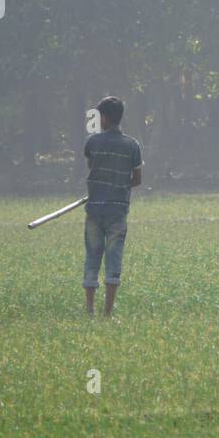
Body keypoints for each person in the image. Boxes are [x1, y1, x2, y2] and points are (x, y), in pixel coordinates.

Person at [82, 96, 142, 317]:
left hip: (95, 208)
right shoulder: (132, 145)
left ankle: (89, 309)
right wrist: (120, 184)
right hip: (118, 209)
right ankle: (107, 311)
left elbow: (92, 167)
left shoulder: (93, 142)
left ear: (105, 118)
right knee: (113, 258)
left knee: (92, 256)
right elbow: (137, 179)